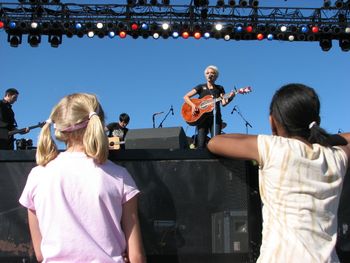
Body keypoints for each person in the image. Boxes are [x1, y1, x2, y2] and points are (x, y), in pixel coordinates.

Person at [207, 83, 350, 263]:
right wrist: (324, 138)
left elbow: (215, 142)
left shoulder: (273, 147)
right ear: (317, 121)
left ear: (272, 122)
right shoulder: (337, 156)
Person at [19, 93, 146, 263]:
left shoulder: (37, 176)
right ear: (98, 123)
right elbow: (136, 256)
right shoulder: (120, 176)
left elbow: (41, 254)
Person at [183, 65, 233, 149]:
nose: (209, 74)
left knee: (216, 142)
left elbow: (223, 103)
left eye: (212, 73)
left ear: (215, 76)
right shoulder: (200, 87)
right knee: (201, 143)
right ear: (205, 75)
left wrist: (231, 97)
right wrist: (193, 106)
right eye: (207, 73)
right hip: (202, 118)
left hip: (215, 117)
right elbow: (186, 97)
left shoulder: (220, 88)